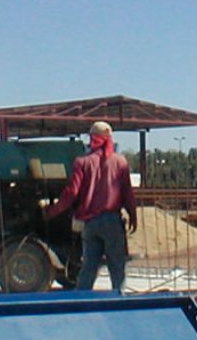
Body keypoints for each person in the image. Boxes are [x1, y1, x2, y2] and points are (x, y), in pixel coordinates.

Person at [43, 121, 138, 293]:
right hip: (113, 221)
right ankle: (119, 301)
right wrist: (133, 215)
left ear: (92, 138)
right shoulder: (120, 162)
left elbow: (71, 193)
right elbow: (128, 194)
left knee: (88, 267)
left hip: (90, 223)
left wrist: (53, 211)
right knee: (117, 268)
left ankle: (81, 303)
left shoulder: (82, 162)